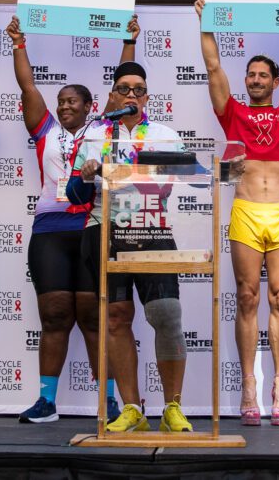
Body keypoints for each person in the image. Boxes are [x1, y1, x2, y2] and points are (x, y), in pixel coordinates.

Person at [195, 0, 279, 426]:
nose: (254, 80)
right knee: (247, 298)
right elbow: (214, 67)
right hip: (246, 212)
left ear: (274, 81)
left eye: (262, 75)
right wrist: (206, 22)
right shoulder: (231, 112)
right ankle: (249, 385)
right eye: (250, 74)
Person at [5, 14, 140, 424]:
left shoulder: (102, 128)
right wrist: (18, 45)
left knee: (95, 317)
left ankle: (109, 402)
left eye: (72, 101)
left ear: (90, 106)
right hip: (49, 231)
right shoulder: (44, 128)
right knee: (55, 316)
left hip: (89, 228)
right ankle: (47, 401)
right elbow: (28, 86)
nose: (64, 106)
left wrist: (127, 40)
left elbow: (122, 90)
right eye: (61, 101)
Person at [66, 61, 191, 433]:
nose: (131, 95)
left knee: (167, 315)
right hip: (104, 229)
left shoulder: (165, 135)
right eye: (124, 88)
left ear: (147, 97)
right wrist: (86, 176)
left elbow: (183, 179)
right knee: (117, 318)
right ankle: (132, 408)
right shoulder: (92, 136)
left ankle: (173, 407)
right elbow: (72, 193)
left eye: (139, 89)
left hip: (151, 228)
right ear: (112, 96)